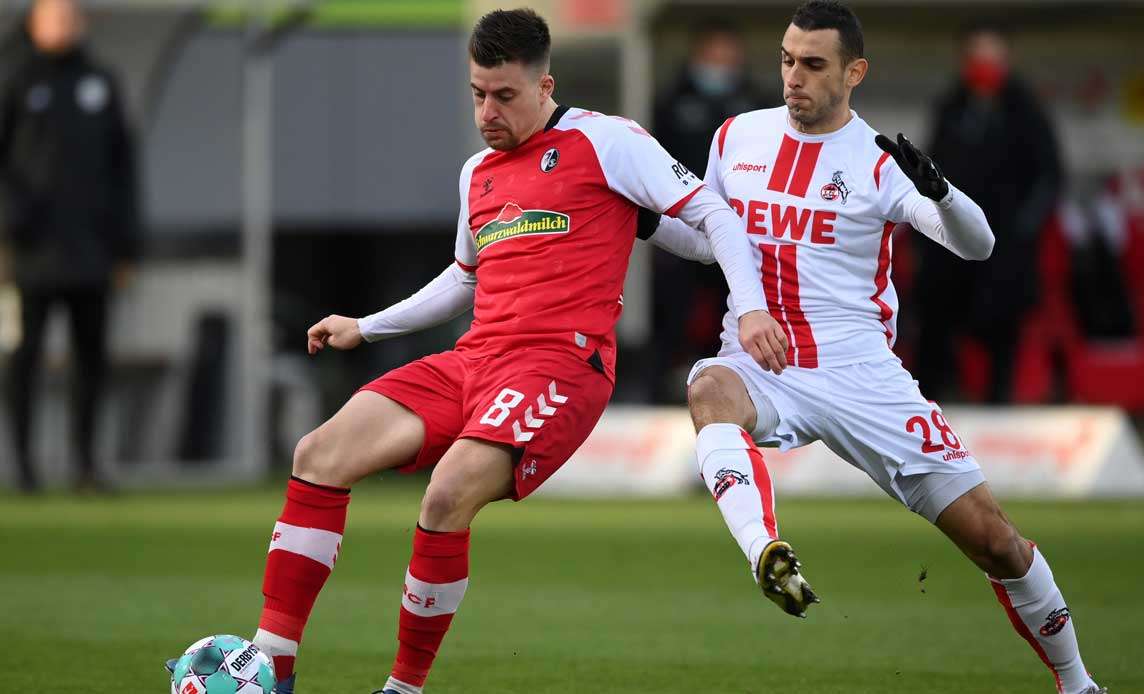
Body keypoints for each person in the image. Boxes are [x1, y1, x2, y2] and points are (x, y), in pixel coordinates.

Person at [167, 9, 787, 694]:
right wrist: (366, 325)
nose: (487, 111)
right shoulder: (478, 174)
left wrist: (753, 304)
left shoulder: (608, 141)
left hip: (560, 364)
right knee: (319, 454)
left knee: (447, 493)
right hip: (476, 360)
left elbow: (711, 218)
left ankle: (403, 689)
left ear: (544, 85)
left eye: (504, 96)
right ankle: (271, 668)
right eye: (476, 94)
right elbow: (464, 278)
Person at [661, 3, 1104, 692]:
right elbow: (702, 238)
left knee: (996, 541)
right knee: (707, 391)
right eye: (786, 59)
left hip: (864, 376)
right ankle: (765, 551)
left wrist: (943, 192)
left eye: (813, 64)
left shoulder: (877, 161)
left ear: (854, 72)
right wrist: (638, 221)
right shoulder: (735, 138)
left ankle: (1079, 685)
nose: (793, 78)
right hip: (763, 363)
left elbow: (976, 243)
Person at [0, 0, 138, 493]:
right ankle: (24, 467)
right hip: (32, 253)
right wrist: (13, 224)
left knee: (91, 358)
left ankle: (85, 464)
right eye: (52, 15)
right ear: (34, 21)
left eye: (68, 15)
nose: (62, 23)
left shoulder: (100, 82)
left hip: (92, 252)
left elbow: (124, 169)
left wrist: (125, 246)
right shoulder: (15, 79)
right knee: (27, 357)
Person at [915, 22, 1063, 402]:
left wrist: (1021, 230)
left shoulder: (1026, 111)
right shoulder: (951, 107)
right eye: (977, 56)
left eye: (992, 56)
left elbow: (1048, 177)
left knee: (1002, 337)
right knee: (935, 332)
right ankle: (928, 416)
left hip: (1005, 248)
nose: (984, 64)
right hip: (949, 245)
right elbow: (932, 167)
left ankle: (998, 412)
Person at [651, 23, 772, 401]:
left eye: (728, 58)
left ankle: (742, 376)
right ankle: (670, 379)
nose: (721, 66)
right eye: (714, 57)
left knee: (738, 301)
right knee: (676, 305)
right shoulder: (671, 104)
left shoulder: (758, 105)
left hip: (744, 230)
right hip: (684, 223)